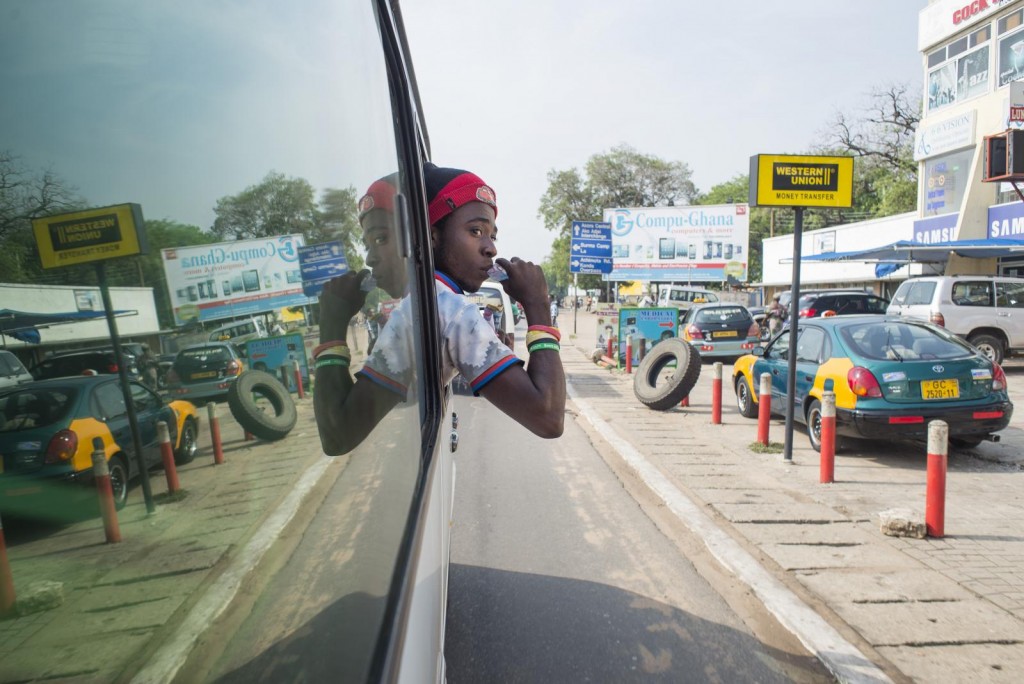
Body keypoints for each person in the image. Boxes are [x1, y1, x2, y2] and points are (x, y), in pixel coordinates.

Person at [314, 165, 565, 455]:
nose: (490, 248)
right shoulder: (444, 307)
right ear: (431, 237)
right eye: (475, 231)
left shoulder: (436, 304)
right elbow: (547, 416)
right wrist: (538, 306)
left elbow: (547, 416)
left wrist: (331, 328)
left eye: (490, 235)